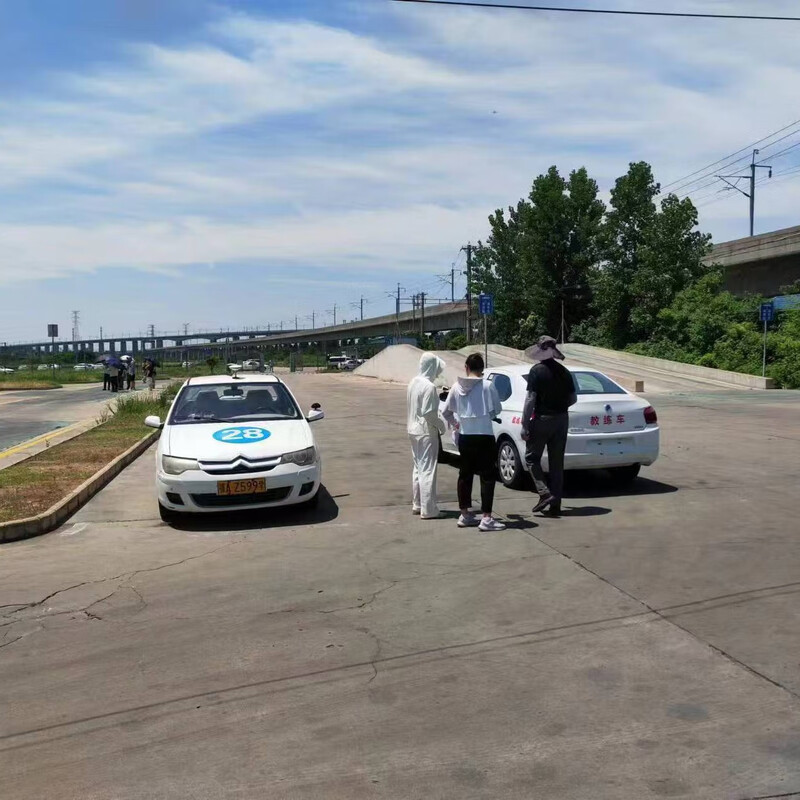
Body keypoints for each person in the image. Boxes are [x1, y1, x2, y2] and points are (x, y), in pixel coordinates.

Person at [442, 353, 506, 532]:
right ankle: (486, 518)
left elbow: (446, 411)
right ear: (482, 369)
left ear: (466, 367)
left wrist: (456, 424)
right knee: (487, 476)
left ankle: (464, 514)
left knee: (465, 474)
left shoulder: (456, 386)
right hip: (484, 435)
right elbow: (497, 409)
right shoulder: (487, 385)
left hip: (465, 436)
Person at [522, 335, 577, 517]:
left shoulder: (536, 371)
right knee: (556, 463)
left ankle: (544, 492)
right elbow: (573, 398)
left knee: (531, 457)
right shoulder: (564, 371)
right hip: (562, 420)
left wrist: (525, 424)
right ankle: (556, 505)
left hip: (542, 419)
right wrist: (559, 408)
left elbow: (531, 400)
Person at [407, 353, 446, 520]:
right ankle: (429, 509)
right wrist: (441, 425)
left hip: (412, 430)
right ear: (431, 367)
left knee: (418, 467)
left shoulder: (413, 382)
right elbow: (428, 413)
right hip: (425, 431)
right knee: (428, 469)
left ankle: (417, 503)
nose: (438, 372)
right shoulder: (429, 387)